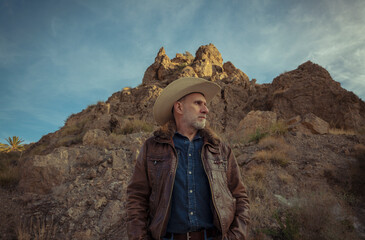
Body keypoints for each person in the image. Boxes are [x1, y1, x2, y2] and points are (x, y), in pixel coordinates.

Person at [126, 77, 249, 240]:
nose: (206, 110)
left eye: (205, 104)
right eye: (198, 103)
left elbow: (240, 196)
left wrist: (236, 236)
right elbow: (136, 197)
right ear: (179, 107)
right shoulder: (152, 147)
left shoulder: (220, 149)